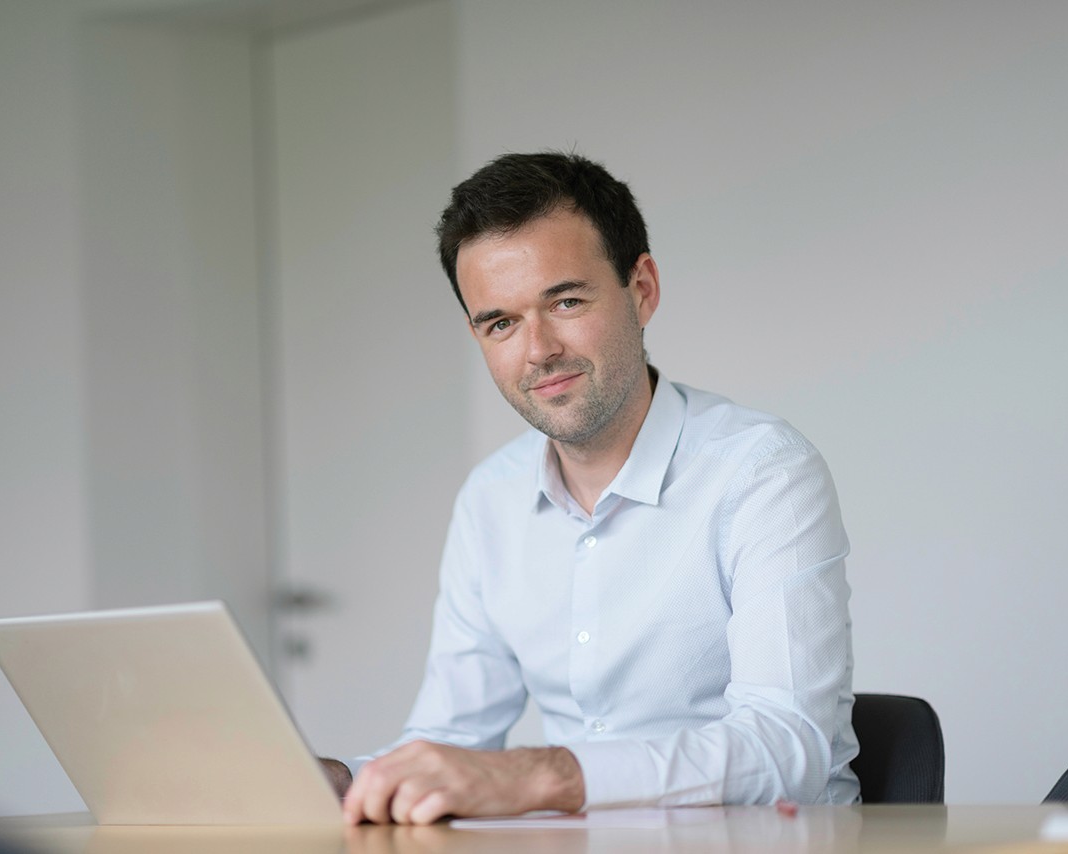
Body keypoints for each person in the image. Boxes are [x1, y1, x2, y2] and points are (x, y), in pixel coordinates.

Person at [321, 151, 858, 825]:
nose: (538, 349)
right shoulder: (490, 500)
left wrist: (543, 774)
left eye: (566, 301)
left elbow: (788, 747)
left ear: (643, 289)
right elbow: (452, 739)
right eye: (501, 323)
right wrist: (344, 779)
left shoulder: (762, 472)